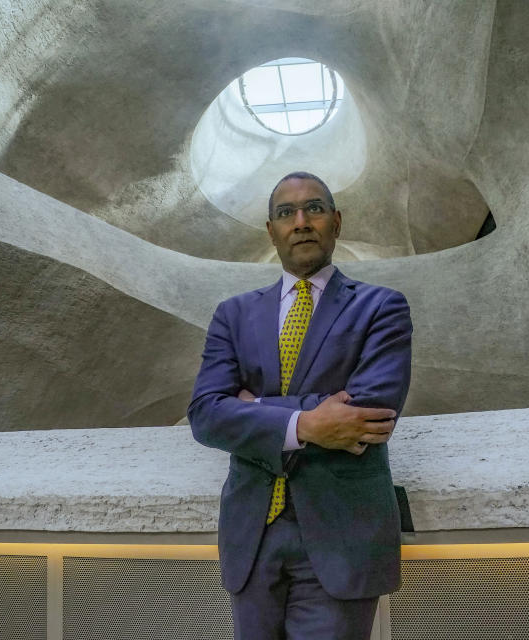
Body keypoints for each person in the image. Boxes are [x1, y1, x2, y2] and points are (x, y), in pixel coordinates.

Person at [188, 171, 412, 639]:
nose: (301, 221)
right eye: (286, 213)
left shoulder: (382, 307)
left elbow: (371, 411)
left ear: (336, 221)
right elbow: (207, 414)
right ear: (271, 231)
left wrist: (255, 406)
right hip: (253, 533)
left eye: (314, 208)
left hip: (341, 535)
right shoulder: (233, 315)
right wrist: (307, 423)